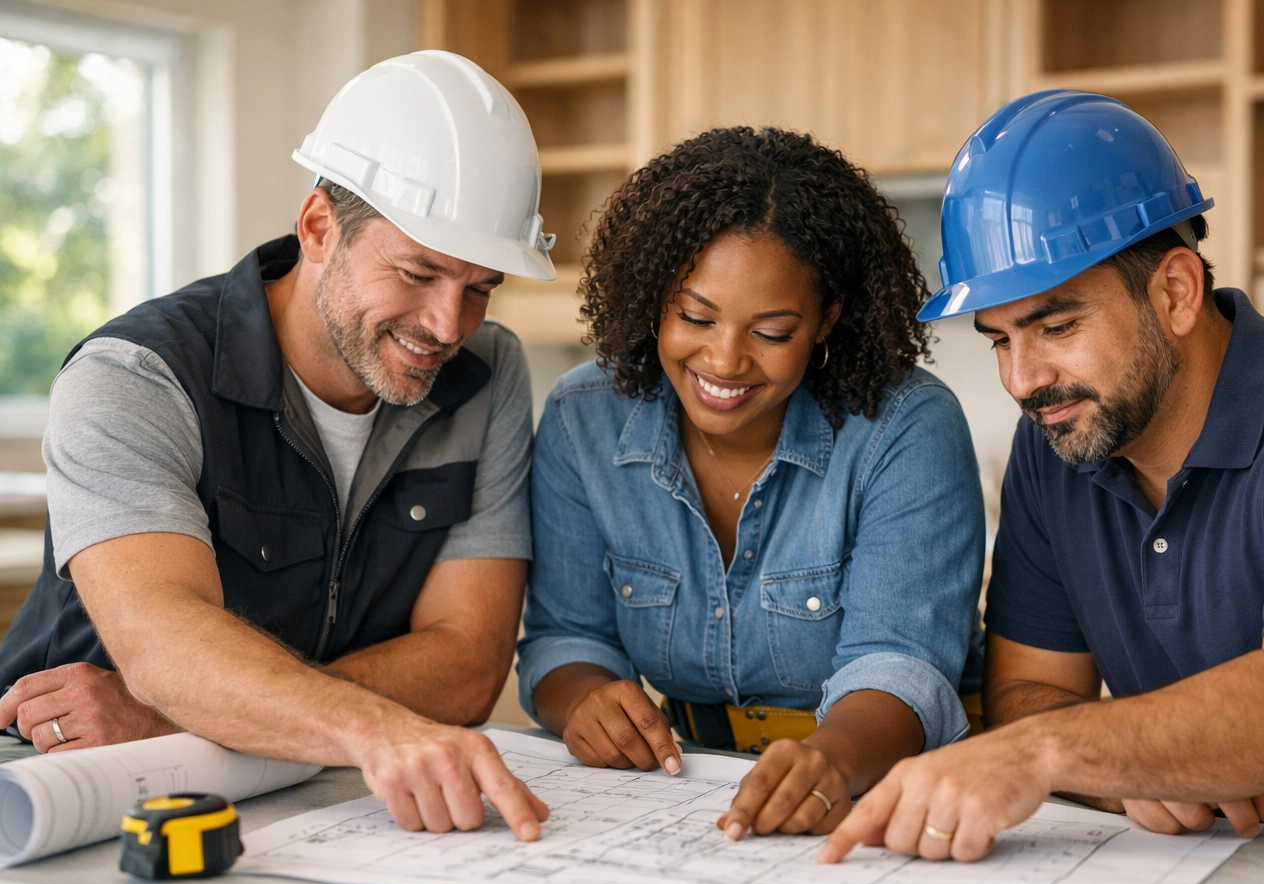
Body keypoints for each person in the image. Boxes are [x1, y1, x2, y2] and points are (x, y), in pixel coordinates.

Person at [822, 90, 1264, 865]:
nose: (1024, 380)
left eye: (1057, 327)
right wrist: (1126, 769)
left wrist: (1046, 753)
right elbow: (1031, 694)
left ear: (1176, 291)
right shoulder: (1062, 441)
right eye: (998, 341)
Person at [0, 51, 556, 839]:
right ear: (319, 227)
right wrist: (368, 724)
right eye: (417, 272)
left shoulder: (486, 375)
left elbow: (466, 665)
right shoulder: (137, 377)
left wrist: (202, 713)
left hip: (301, 792)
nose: (446, 325)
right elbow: (165, 649)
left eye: (480, 288)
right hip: (66, 796)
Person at [518, 127, 985, 840]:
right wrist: (584, 699)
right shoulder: (585, 419)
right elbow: (564, 638)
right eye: (695, 317)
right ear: (652, 299)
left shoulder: (906, 427)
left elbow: (901, 665)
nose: (725, 361)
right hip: (693, 791)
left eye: (771, 332)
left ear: (827, 318)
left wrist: (827, 762)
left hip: (891, 788)